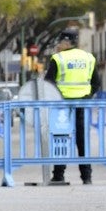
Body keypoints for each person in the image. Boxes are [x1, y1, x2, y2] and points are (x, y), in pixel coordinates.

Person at [44, 27, 101, 184]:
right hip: (81, 104)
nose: (58, 44)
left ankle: (58, 175)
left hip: (62, 106)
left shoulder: (58, 58)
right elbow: (96, 83)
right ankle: (87, 177)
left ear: (66, 41)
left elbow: (48, 83)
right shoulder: (88, 58)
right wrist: (86, 97)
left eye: (60, 41)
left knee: (61, 139)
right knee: (82, 141)